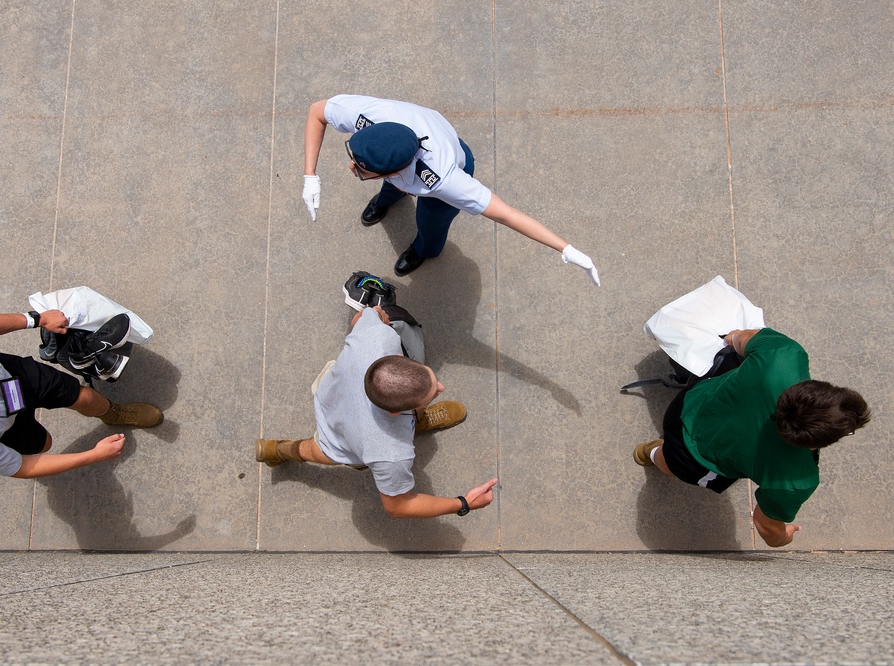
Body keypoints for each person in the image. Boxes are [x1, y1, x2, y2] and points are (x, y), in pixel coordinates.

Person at [302, 94, 600, 283]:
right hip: (400, 166)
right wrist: (310, 176)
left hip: (453, 163)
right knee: (391, 188)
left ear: (393, 170)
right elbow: (318, 111)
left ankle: (425, 250)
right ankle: (388, 198)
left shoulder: (442, 179)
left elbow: (506, 214)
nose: (351, 167)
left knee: (431, 223)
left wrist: (566, 249)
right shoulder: (367, 120)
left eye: (359, 167)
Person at [633, 327, 870, 547]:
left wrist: (730, 337)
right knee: (674, 462)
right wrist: (784, 535)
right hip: (695, 458)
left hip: (689, 405)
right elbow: (766, 527)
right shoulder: (796, 480)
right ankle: (653, 453)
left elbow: (739, 338)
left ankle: (652, 451)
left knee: (734, 363)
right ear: (817, 441)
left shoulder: (783, 356)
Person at [257, 305, 498, 519]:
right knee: (324, 449)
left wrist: (379, 318)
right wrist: (464, 503)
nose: (441, 388)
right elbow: (398, 506)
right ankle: (277, 450)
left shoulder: (378, 338)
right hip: (344, 441)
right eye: (432, 393)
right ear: (395, 414)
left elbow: (364, 315)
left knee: (314, 446)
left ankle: (274, 450)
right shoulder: (390, 451)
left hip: (330, 396)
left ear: (396, 358)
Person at [0, 310, 164, 479]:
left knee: (83, 397)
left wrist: (36, 319)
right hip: (7, 427)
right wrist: (92, 456)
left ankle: (113, 413)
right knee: (44, 445)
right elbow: (23, 467)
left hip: (16, 379)